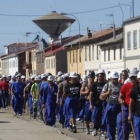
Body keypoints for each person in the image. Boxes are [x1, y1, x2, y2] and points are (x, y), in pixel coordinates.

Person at [100, 72, 122, 140]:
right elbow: (101, 97)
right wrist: (107, 93)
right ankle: (111, 138)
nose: (115, 80)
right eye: (114, 79)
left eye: (116, 79)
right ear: (110, 79)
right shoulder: (107, 85)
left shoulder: (121, 85)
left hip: (118, 107)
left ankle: (120, 138)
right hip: (110, 105)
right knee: (110, 124)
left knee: (119, 123)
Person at [118, 68, 138, 140]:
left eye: (135, 77)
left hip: (136, 110)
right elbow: (120, 97)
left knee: (137, 128)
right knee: (123, 127)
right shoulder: (125, 86)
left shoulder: (138, 86)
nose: (133, 79)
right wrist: (121, 101)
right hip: (126, 108)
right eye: (132, 78)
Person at [89, 69, 106, 137]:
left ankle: (102, 131)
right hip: (96, 103)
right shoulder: (94, 84)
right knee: (95, 117)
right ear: (97, 76)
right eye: (100, 76)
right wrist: (91, 104)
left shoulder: (106, 84)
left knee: (103, 118)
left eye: (102, 76)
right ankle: (94, 129)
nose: (101, 77)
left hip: (104, 103)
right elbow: (90, 95)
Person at [128, 71, 140, 140]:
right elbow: (130, 103)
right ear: (138, 79)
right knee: (138, 134)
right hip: (137, 115)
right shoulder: (135, 90)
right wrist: (129, 115)